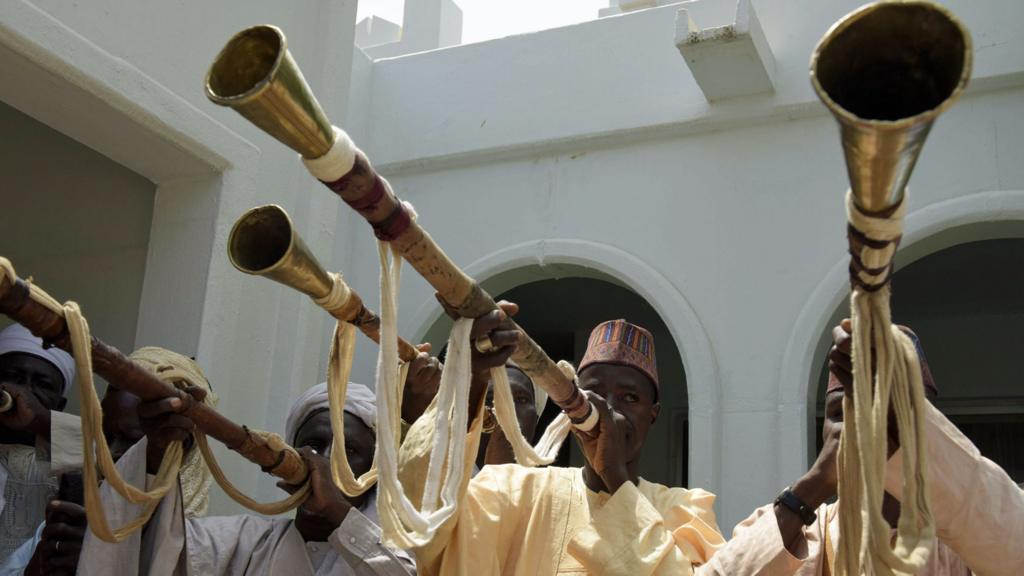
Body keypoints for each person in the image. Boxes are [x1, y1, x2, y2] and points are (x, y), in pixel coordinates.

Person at [399, 312, 725, 575]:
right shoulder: (514, 489)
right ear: (573, 409)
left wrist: (614, 475)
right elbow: (427, 528)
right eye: (596, 392)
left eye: (629, 398)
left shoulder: (686, 510)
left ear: (652, 415)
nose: (609, 410)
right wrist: (471, 385)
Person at [77, 350, 442, 576]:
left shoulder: (403, 550)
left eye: (349, 452)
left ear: (372, 474)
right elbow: (157, 555)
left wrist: (338, 516)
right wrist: (158, 451)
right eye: (313, 444)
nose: (324, 459)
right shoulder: (245, 543)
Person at [701, 321, 1024, 575]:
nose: (863, 427)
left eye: (887, 412)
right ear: (823, 430)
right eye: (841, 414)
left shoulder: (969, 529)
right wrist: (812, 487)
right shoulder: (798, 529)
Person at [1, 346, 218, 576]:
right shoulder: (75, 525)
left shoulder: (205, 552)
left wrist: (102, 562)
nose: (110, 454)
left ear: (184, 454)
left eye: (132, 442)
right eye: (105, 438)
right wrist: (42, 565)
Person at [0, 323, 79, 559]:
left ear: (60, 405)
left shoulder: (68, 456)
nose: (23, 391)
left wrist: (40, 420)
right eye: (14, 377)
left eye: (42, 385)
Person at [475, 361, 547, 469]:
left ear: (535, 420)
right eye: (491, 398)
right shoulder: (443, 478)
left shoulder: (551, 482)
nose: (507, 409)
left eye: (521, 399)